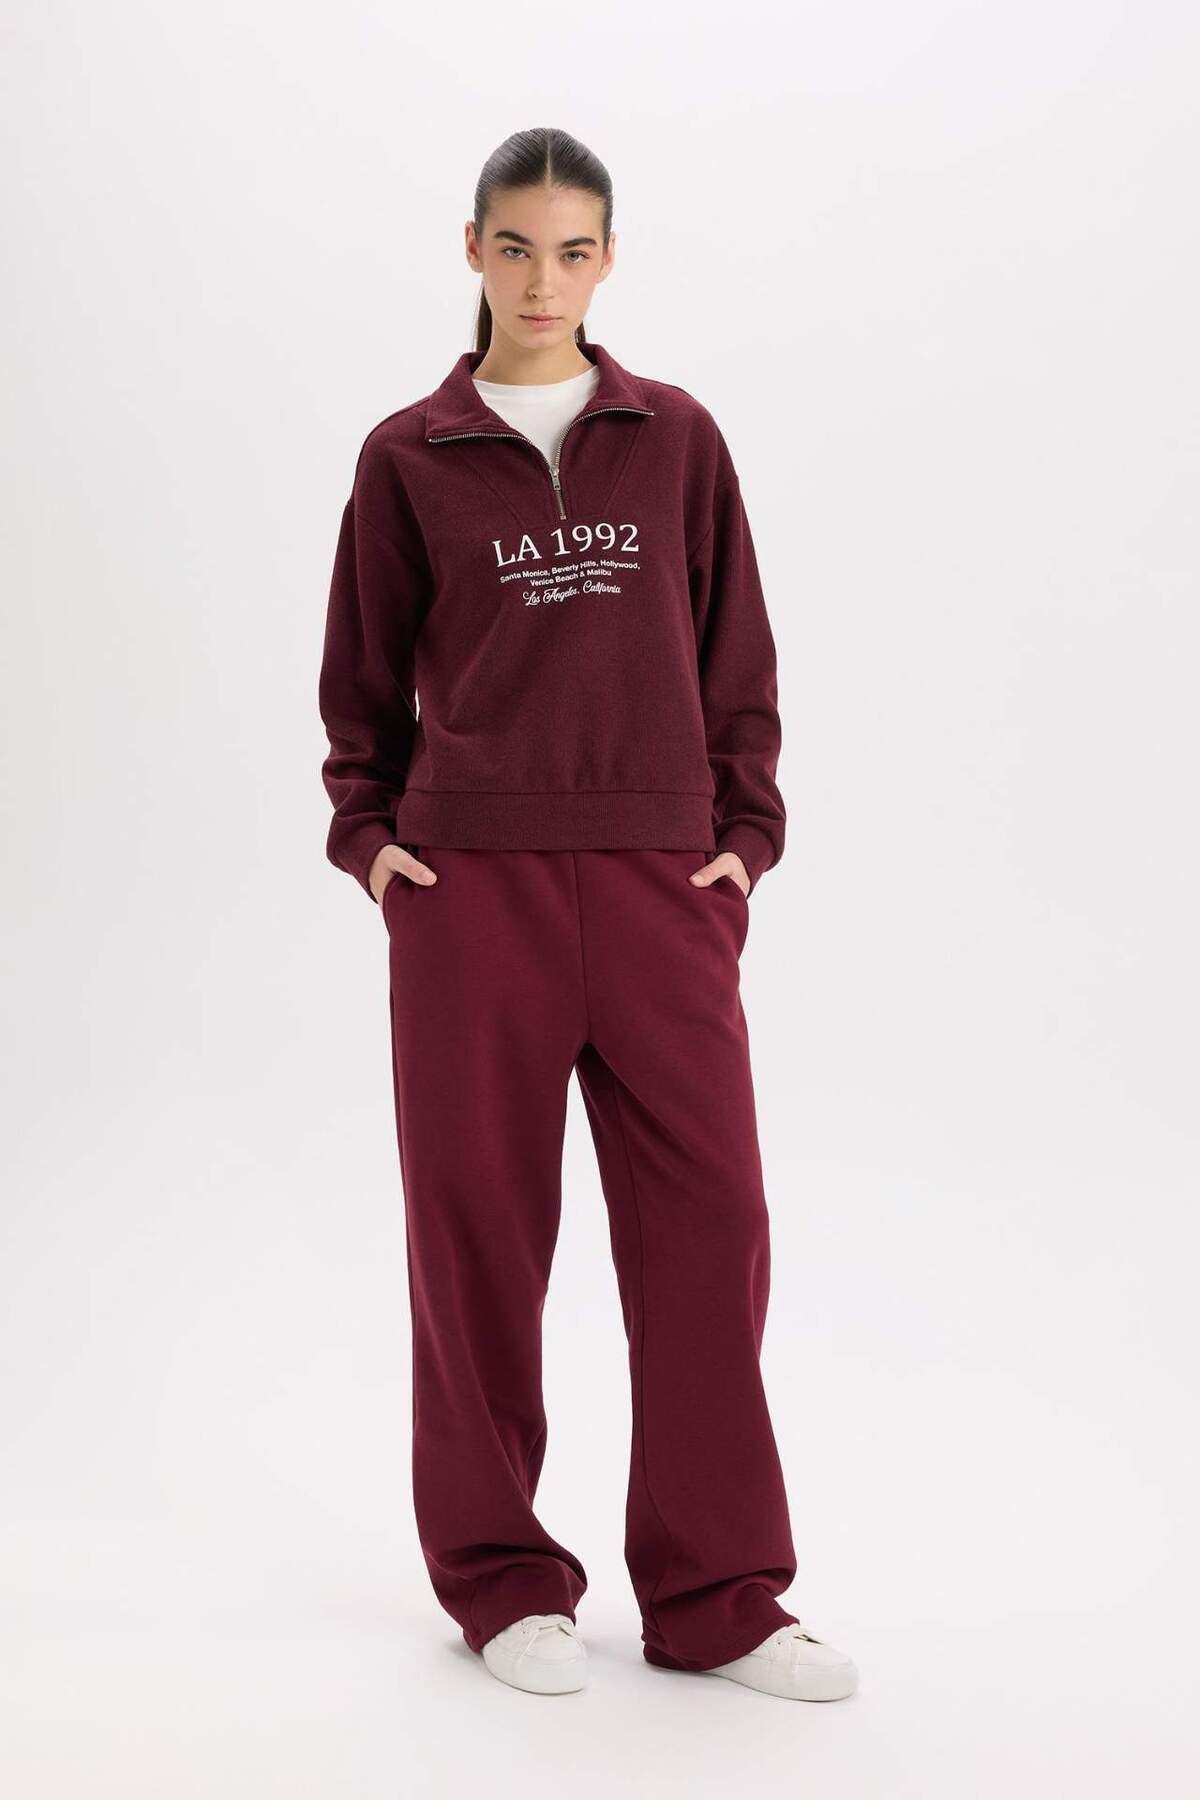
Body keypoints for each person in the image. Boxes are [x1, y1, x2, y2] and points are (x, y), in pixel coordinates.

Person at [318, 126, 858, 1703]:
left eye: (572, 251)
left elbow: (735, 655)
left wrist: (743, 840)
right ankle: (501, 1582)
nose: (544, 280)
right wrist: (373, 843)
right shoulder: (408, 456)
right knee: (477, 1240)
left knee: (710, 1229)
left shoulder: (675, 438)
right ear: (472, 251)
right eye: (516, 248)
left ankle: (718, 1599)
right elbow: (362, 681)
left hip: (658, 886)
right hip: (470, 894)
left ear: (609, 258)